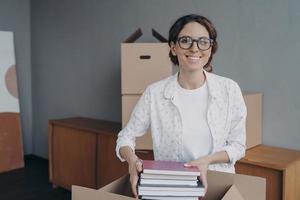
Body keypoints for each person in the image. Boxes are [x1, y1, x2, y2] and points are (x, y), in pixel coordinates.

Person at [116, 14, 247, 198]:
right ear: (173, 47)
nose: (195, 48)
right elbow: (125, 137)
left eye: (203, 41)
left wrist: (207, 161)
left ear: (211, 47)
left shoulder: (229, 89)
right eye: (186, 41)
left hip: (218, 186)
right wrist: (132, 160)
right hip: (171, 187)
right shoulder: (155, 93)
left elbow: (238, 145)